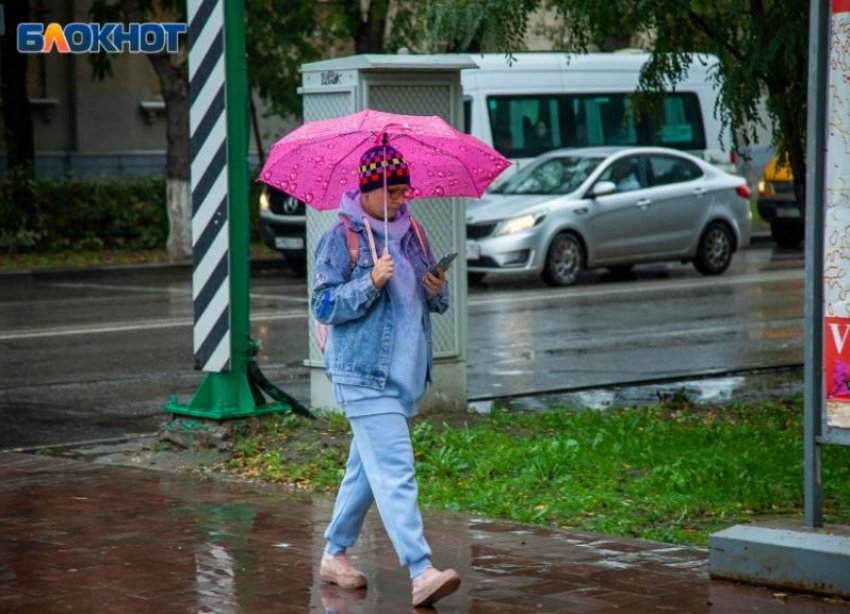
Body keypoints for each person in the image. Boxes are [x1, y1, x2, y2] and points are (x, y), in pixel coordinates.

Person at [311, 143, 460, 608]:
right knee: (395, 469)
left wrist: (437, 289)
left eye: (403, 190)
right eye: (392, 191)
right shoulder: (342, 238)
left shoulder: (413, 232)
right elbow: (323, 304)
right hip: (361, 374)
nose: (400, 199)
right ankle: (421, 571)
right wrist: (369, 281)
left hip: (404, 377)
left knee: (365, 471)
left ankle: (334, 554)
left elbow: (432, 302)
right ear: (367, 189)